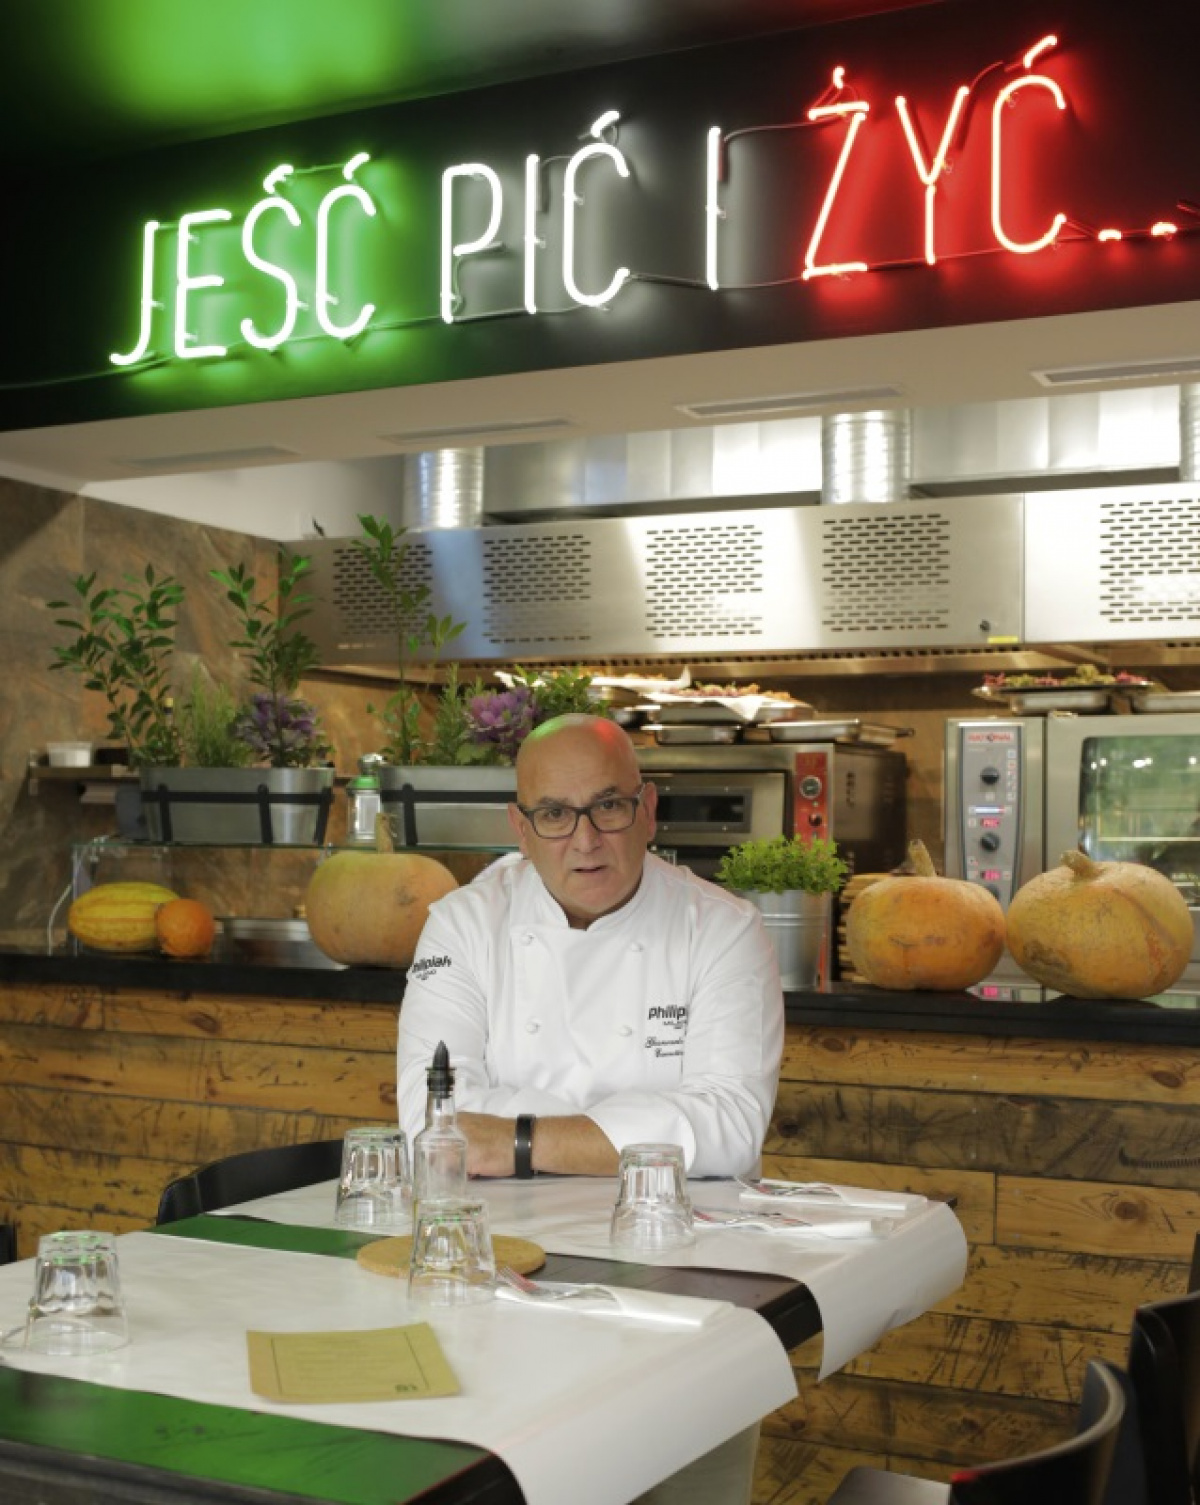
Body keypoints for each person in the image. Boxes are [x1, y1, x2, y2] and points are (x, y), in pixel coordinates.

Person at [396, 712, 784, 1178]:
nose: (586, 840)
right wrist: (646, 1129)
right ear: (521, 830)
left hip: (671, 1218)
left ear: (648, 811)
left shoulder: (723, 930)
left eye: (609, 806)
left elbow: (729, 1128)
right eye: (554, 814)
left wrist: (516, 1142)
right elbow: (431, 1118)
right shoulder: (463, 926)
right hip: (506, 1219)